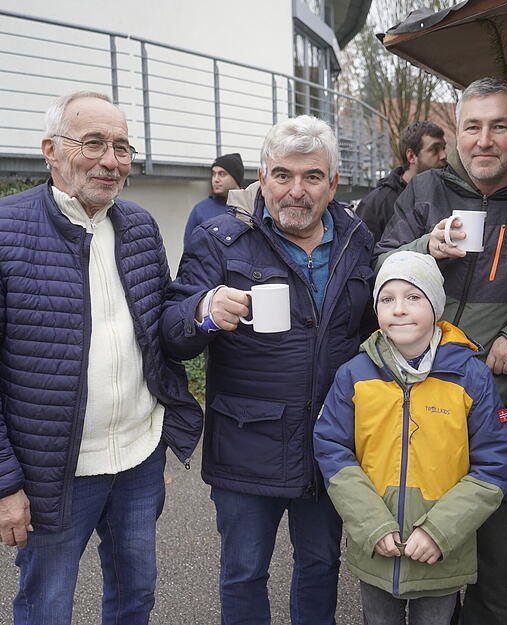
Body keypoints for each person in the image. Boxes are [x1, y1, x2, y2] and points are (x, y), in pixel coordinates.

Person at [0, 91, 203, 625]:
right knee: (47, 607)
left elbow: (159, 336)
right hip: (53, 471)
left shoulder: (139, 227)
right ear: (50, 151)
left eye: (122, 147)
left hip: (138, 459)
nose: (110, 160)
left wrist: (201, 316)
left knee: (136, 597)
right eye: (93, 143)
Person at [375, 77, 507, 625]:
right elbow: (381, 265)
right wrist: (424, 247)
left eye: (499, 127)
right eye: (473, 127)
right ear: (457, 135)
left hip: (497, 404)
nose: (484, 140)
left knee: (496, 555)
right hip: (419, 403)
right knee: (421, 551)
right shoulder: (425, 191)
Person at [160, 115, 374, 625]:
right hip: (247, 439)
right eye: (282, 175)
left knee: (321, 565)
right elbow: (170, 330)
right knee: (244, 571)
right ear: (262, 177)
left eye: (312, 176)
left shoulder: (358, 239)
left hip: (329, 442)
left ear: (333, 184)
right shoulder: (220, 239)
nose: (296, 191)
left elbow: (370, 329)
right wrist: (205, 310)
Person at [314, 251, 507, 625]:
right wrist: (371, 525)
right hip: (377, 546)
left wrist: (440, 531)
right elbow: (332, 450)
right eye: (386, 299)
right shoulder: (354, 375)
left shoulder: (470, 377)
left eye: (413, 297)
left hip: (441, 551)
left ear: (436, 306)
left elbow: (495, 464)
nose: (399, 309)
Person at [356, 121, 447, 243]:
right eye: (435, 149)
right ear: (411, 156)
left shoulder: (449, 194)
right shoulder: (376, 205)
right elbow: (360, 251)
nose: (443, 155)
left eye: (444, 148)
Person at [184, 152, 244, 242]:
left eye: (222, 174)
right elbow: (189, 246)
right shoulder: (200, 210)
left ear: (236, 178)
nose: (215, 179)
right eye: (213, 174)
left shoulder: (251, 206)